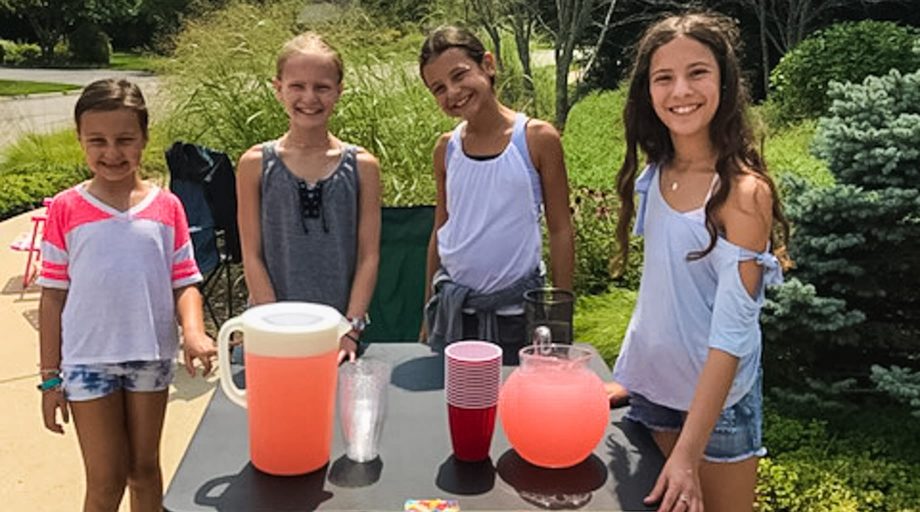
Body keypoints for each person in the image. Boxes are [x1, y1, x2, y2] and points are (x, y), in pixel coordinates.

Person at [608, 12, 791, 512]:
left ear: (725, 81)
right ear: (647, 91)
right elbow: (666, 293)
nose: (680, 90)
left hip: (716, 413)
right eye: (663, 77)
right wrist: (631, 377)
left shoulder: (742, 192)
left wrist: (689, 451)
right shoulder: (658, 171)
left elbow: (732, 332)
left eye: (697, 72)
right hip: (649, 395)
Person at [37, 78, 216, 512]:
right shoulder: (65, 209)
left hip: (149, 357)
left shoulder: (166, 206)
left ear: (144, 139)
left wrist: (193, 332)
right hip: (86, 362)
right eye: (97, 140)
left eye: (124, 140)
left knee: (145, 471)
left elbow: (184, 279)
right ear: (80, 140)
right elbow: (53, 297)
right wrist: (49, 377)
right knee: (106, 481)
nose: (112, 152)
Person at [418, 26, 575, 361]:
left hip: (517, 315)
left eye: (460, 75)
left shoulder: (536, 139)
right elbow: (441, 229)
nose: (453, 92)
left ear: (487, 65)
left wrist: (560, 315)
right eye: (439, 88)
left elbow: (561, 228)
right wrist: (427, 308)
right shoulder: (446, 149)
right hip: (456, 313)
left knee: (515, 408)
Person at [236, 32, 381, 363]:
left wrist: (351, 328)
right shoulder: (255, 165)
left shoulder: (363, 167)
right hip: (269, 333)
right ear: (279, 89)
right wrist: (273, 328)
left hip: (341, 334)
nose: (309, 98)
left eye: (322, 87)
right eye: (297, 86)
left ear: (339, 91)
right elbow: (252, 253)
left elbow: (368, 256)